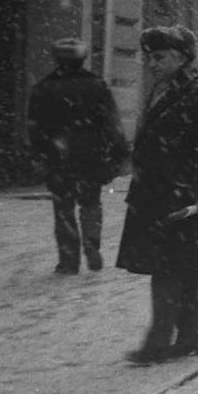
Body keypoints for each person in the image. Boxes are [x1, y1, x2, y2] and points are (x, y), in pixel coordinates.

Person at [117, 26, 198, 364]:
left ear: (182, 57)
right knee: (183, 267)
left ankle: (158, 342)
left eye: (160, 57)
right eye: (150, 57)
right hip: (157, 194)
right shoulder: (164, 90)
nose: (152, 64)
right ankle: (195, 338)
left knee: (168, 268)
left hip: (184, 197)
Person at [27, 38, 128, 274]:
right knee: (91, 203)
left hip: (58, 159)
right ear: (82, 59)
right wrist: (118, 152)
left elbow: (35, 127)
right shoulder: (96, 85)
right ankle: (92, 245)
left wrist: (40, 154)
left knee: (63, 209)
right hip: (91, 157)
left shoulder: (43, 87)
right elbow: (111, 123)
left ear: (57, 59)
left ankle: (69, 260)